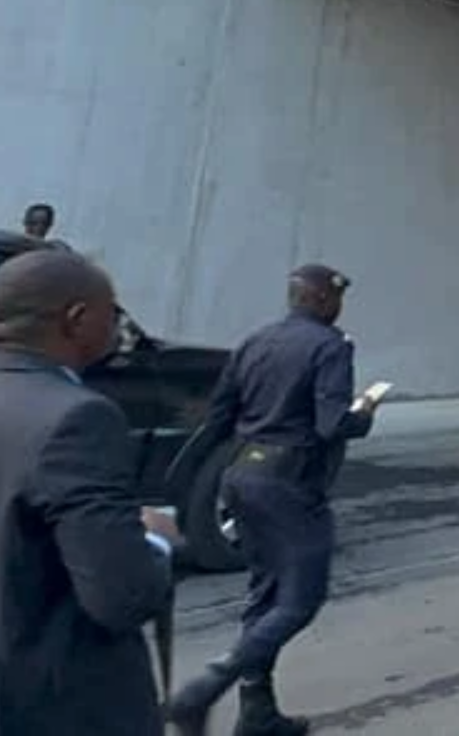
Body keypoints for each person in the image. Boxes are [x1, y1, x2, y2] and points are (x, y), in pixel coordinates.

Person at [0, 250, 177, 736]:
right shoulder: (79, 419)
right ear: (78, 319)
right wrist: (154, 540)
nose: (117, 326)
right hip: (46, 709)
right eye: (111, 312)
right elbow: (122, 597)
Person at [166, 264, 383, 736]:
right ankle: (203, 690)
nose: (340, 307)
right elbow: (331, 424)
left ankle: (256, 710)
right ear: (324, 300)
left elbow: (218, 417)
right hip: (291, 483)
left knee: (263, 595)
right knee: (300, 599)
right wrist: (364, 412)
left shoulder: (255, 341)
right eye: (337, 298)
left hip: (241, 474)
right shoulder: (331, 346)